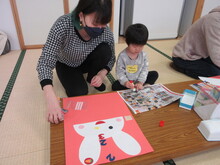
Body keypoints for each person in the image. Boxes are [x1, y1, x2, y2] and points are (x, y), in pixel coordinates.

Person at [36, 0, 115, 124]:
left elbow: (111, 57)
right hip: (66, 63)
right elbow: (45, 61)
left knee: (105, 50)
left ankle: (91, 77)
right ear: (81, 15)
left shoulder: (105, 31)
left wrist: (101, 74)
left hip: (87, 61)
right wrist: (50, 98)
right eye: (95, 24)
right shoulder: (63, 24)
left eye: (104, 24)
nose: (100, 29)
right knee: (79, 93)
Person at [171, 6, 220, 79]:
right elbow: (216, 53)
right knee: (217, 74)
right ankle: (181, 67)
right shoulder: (215, 20)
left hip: (206, 55)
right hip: (187, 57)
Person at [112, 23, 159, 91]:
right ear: (127, 42)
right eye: (134, 46)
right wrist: (126, 82)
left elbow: (144, 70)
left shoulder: (143, 55)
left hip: (139, 79)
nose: (138, 49)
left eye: (141, 46)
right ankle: (134, 87)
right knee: (115, 86)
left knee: (154, 74)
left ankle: (142, 86)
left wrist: (140, 82)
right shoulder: (122, 56)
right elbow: (120, 72)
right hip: (128, 81)